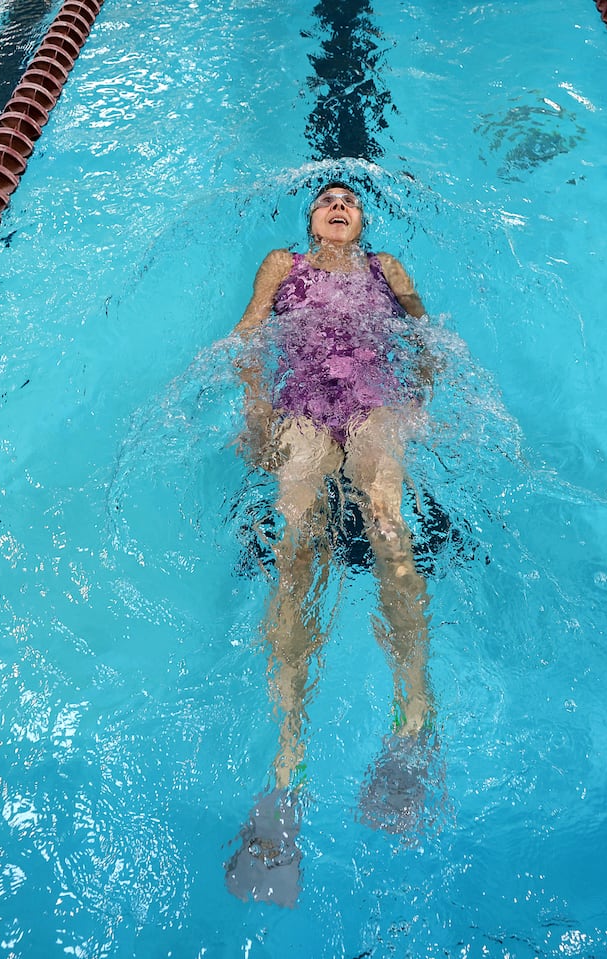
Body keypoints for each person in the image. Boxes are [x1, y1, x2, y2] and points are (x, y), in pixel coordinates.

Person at [223, 182, 440, 907]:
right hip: (303, 412)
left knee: (390, 528)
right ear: (311, 222)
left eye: (349, 199)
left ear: (364, 220)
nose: (338, 205)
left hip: (374, 408)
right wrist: (256, 410)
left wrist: (421, 405)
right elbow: (249, 333)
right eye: (326, 201)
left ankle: (413, 717)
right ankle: (287, 765)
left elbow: (425, 338)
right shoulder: (283, 265)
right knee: (295, 549)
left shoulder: (389, 270)